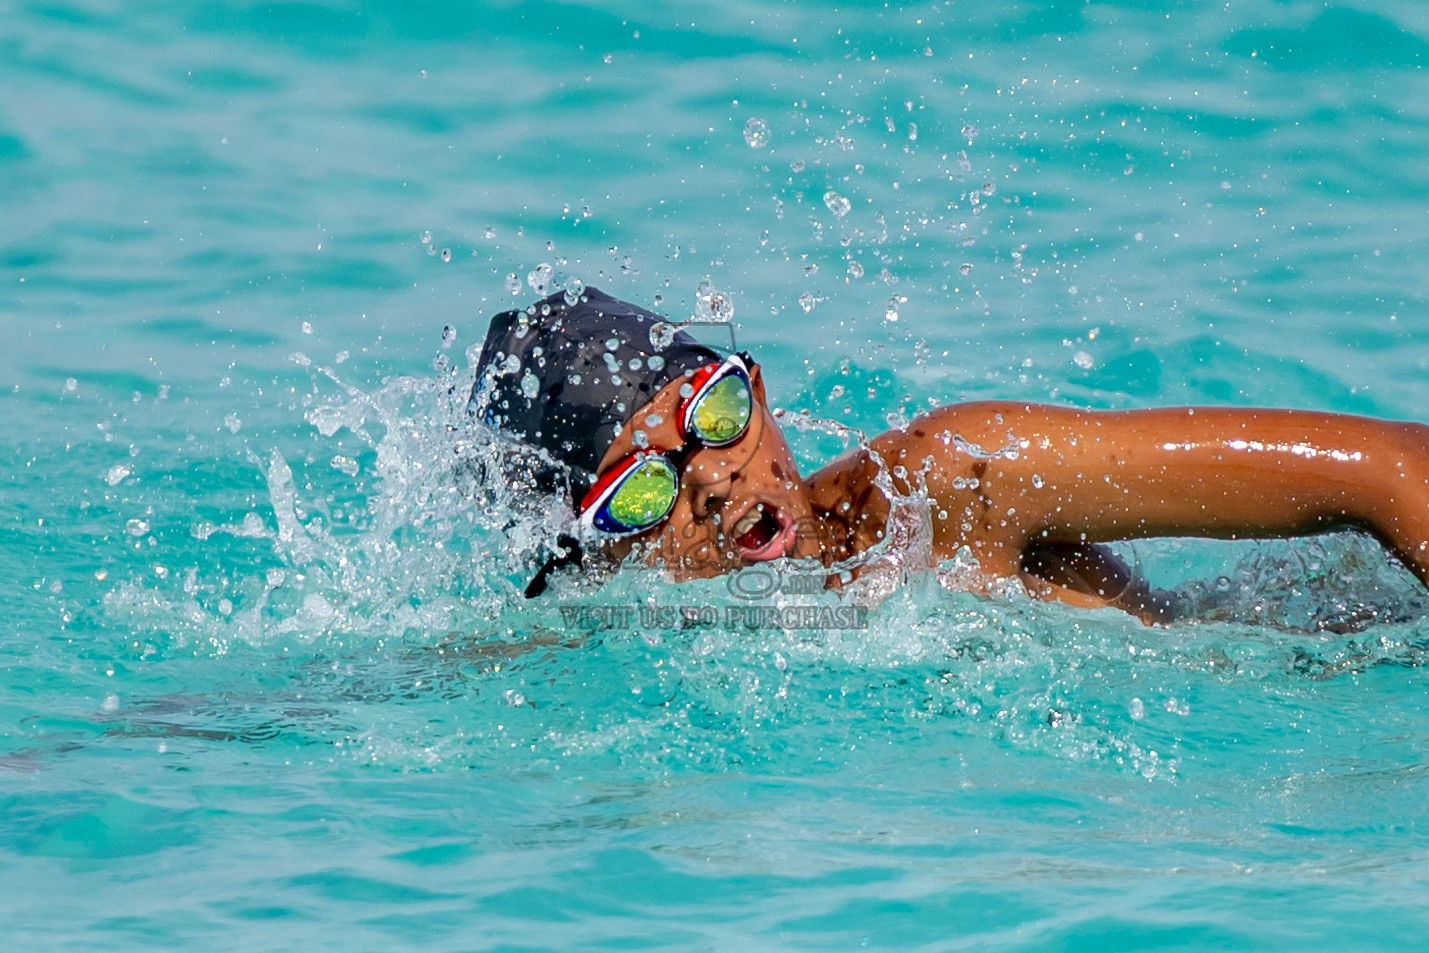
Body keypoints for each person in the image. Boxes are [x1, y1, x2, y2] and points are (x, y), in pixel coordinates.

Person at [472, 287, 1429, 622]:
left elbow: (1396, 469)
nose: (714, 474)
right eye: (645, 490)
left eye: (715, 412)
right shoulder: (615, 637)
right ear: (594, 553)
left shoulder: (948, 486)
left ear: (756, 389)